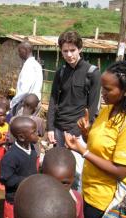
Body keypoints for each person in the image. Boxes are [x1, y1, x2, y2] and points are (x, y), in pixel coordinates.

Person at [64, 61, 126, 218]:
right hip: (88, 191)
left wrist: (83, 152)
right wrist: (86, 133)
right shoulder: (108, 109)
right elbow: (99, 148)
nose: (102, 93)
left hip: (104, 202)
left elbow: (121, 171)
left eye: (108, 89)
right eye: (102, 87)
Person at [46, 31, 101, 190]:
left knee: (76, 174)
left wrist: (80, 131)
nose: (69, 54)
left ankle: (77, 208)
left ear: (80, 49)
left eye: (72, 50)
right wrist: (50, 127)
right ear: (61, 51)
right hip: (58, 128)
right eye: (65, 51)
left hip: (77, 131)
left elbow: (93, 107)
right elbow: (53, 99)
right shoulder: (61, 72)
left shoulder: (92, 73)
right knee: (59, 170)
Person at [0, 116, 39, 218]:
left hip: (29, 196)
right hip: (15, 200)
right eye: (34, 132)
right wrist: (27, 180)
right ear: (21, 137)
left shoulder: (32, 148)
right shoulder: (10, 157)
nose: (38, 134)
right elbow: (6, 179)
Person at [42, 148, 85, 218]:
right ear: (42, 175)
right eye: (52, 182)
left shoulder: (77, 199)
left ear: (73, 178)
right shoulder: (36, 201)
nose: (57, 189)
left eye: (64, 183)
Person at [10, 41, 43, 113]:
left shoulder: (28, 66)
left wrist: (12, 103)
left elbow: (24, 90)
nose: (19, 53)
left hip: (26, 106)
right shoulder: (37, 65)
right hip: (35, 103)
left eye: (19, 51)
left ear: (26, 50)